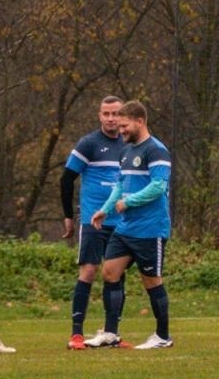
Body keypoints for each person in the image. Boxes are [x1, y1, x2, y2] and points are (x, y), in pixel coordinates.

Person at [88, 100, 173, 349]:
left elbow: (159, 186)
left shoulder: (156, 150)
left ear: (140, 122)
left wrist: (131, 202)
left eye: (125, 125)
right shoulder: (126, 151)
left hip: (150, 228)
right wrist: (104, 210)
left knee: (151, 280)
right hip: (125, 228)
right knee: (110, 272)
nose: (121, 130)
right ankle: (111, 333)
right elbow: (119, 185)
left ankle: (163, 336)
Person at [62, 95, 126, 349]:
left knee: (116, 276)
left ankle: (111, 333)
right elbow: (66, 179)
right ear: (99, 116)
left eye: (116, 114)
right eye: (106, 114)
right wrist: (69, 215)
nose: (111, 119)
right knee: (88, 271)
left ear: (123, 116)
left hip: (122, 223)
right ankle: (76, 334)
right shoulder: (88, 143)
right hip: (93, 221)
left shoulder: (130, 144)